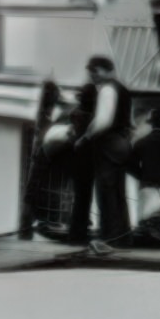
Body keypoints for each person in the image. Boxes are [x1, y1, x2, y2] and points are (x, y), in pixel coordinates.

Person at [75, 56, 133, 247]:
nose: (92, 75)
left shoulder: (108, 89)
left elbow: (103, 121)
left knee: (106, 192)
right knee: (118, 192)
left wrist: (85, 137)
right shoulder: (122, 89)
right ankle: (122, 237)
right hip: (122, 144)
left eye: (95, 71)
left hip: (109, 145)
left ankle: (110, 237)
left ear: (106, 70)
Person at [65, 83, 98, 245]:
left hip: (75, 159)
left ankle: (75, 232)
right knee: (85, 198)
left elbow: (70, 133)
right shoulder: (92, 117)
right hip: (88, 160)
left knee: (79, 198)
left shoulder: (75, 114)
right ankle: (79, 233)